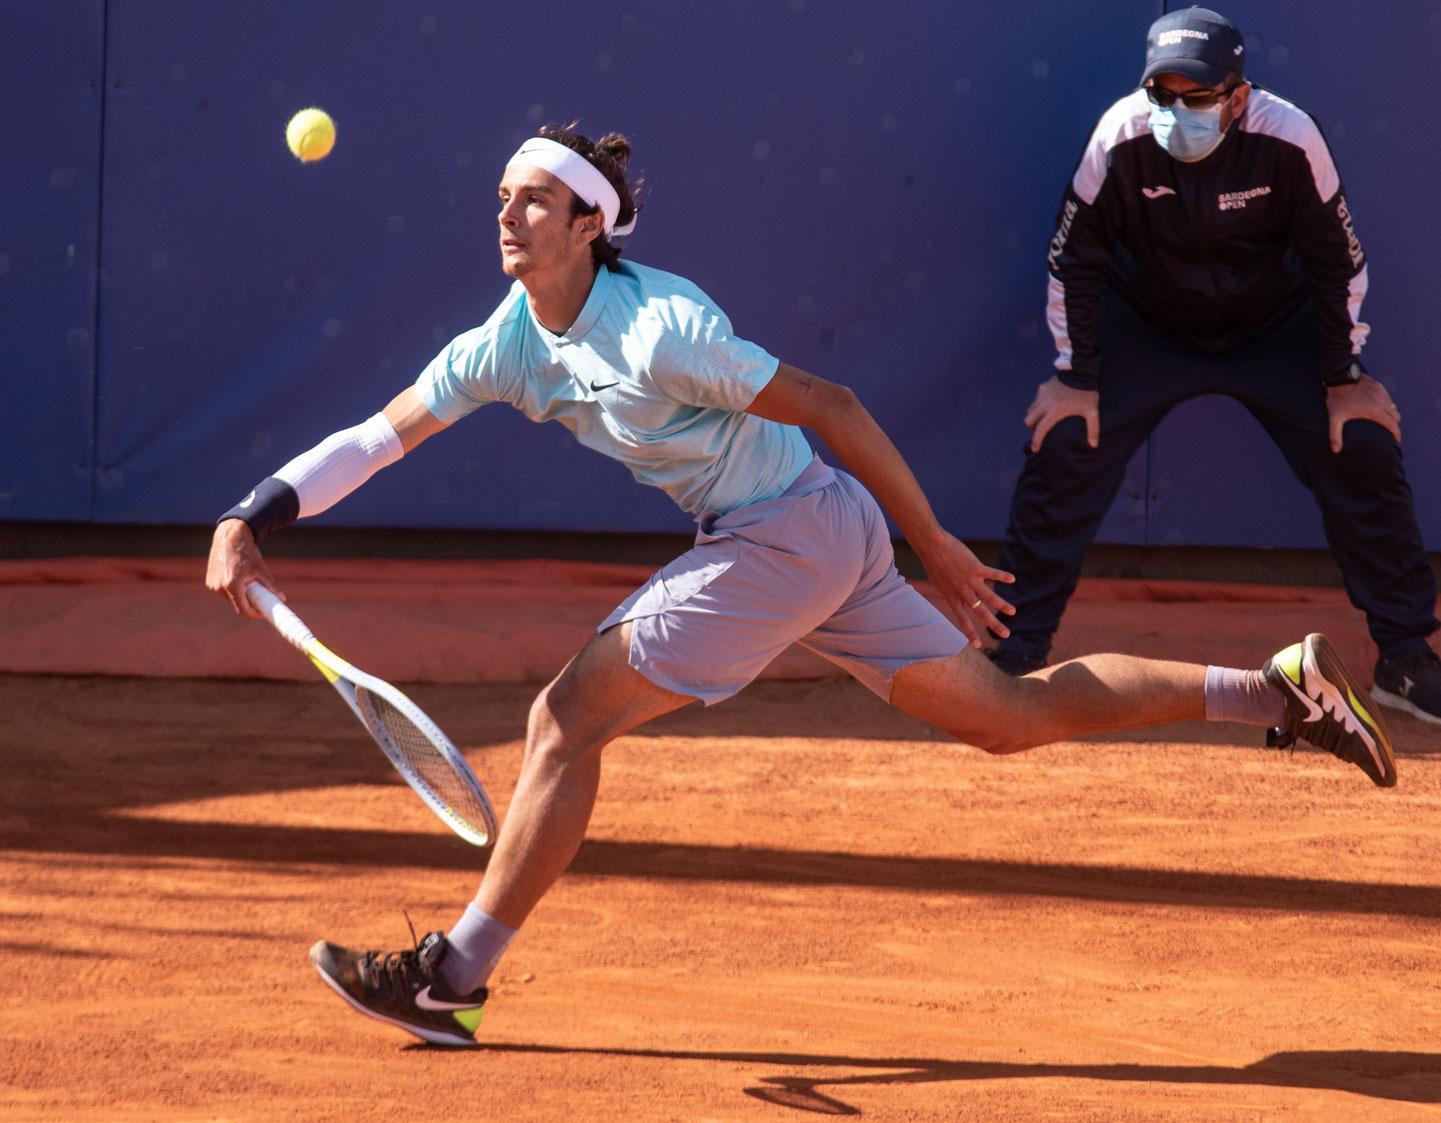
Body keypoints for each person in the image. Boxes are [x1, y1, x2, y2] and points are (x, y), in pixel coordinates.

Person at [206, 123, 1397, 1048]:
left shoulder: (660, 329)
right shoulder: (507, 336)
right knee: (1006, 715)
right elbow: (379, 434)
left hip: (790, 532)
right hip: (800, 534)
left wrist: (930, 540)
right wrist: (254, 513)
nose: (508, 214)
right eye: (504, 196)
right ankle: (1274, 689)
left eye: (535, 199)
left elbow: (830, 405)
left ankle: (451, 979)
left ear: (589, 226)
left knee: (566, 719)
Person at [989, 6, 1441, 728]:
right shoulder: (1120, 135)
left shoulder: (1288, 137)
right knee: (1065, 438)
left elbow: (1335, 260)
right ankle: (1012, 653)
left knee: (1358, 443)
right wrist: (1075, 374)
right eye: (1161, 94)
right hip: (1146, 326)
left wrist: (1341, 376)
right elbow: (1073, 258)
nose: (1175, 110)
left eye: (1195, 96)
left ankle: (1405, 661)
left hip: (1274, 326)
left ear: (1236, 93)